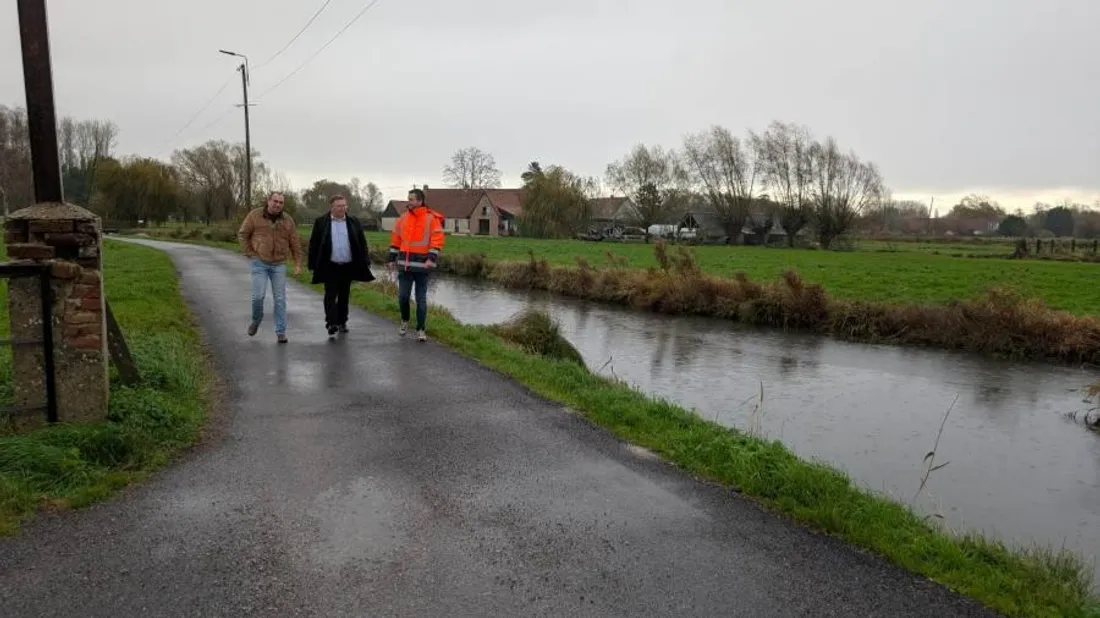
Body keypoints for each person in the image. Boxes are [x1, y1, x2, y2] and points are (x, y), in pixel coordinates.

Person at [237, 191, 303, 343]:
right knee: (258, 296)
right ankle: (256, 320)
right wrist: (250, 252)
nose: (277, 205)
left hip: (279, 264)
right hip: (259, 262)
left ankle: (281, 332)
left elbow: (295, 242)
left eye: (281, 202)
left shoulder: (287, 220)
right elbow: (243, 234)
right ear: (268, 201)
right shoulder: (255, 215)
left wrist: (298, 263)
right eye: (275, 201)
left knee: (280, 299)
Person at [307, 194, 375, 336]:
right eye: (339, 206)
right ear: (332, 207)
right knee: (330, 295)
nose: (342, 208)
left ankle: (342, 321)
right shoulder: (321, 222)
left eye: (344, 206)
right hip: (330, 265)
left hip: (347, 265)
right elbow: (314, 244)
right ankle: (331, 322)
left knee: (344, 295)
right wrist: (312, 264)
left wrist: (365, 259)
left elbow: (362, 242)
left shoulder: (353, 222)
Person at [387, 188, 444, 342]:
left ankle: (420, 329)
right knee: (403, 297)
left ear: (420, 201)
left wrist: (431, 259)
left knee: (421, 300)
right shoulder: (403, 218)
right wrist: (391, 258)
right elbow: (396, 239)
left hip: (422, 267)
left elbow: (437, 239)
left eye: (411, 199)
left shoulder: (431, 219)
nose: (409, 202)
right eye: (408, 199)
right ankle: (405, 320)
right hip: (404, 266)